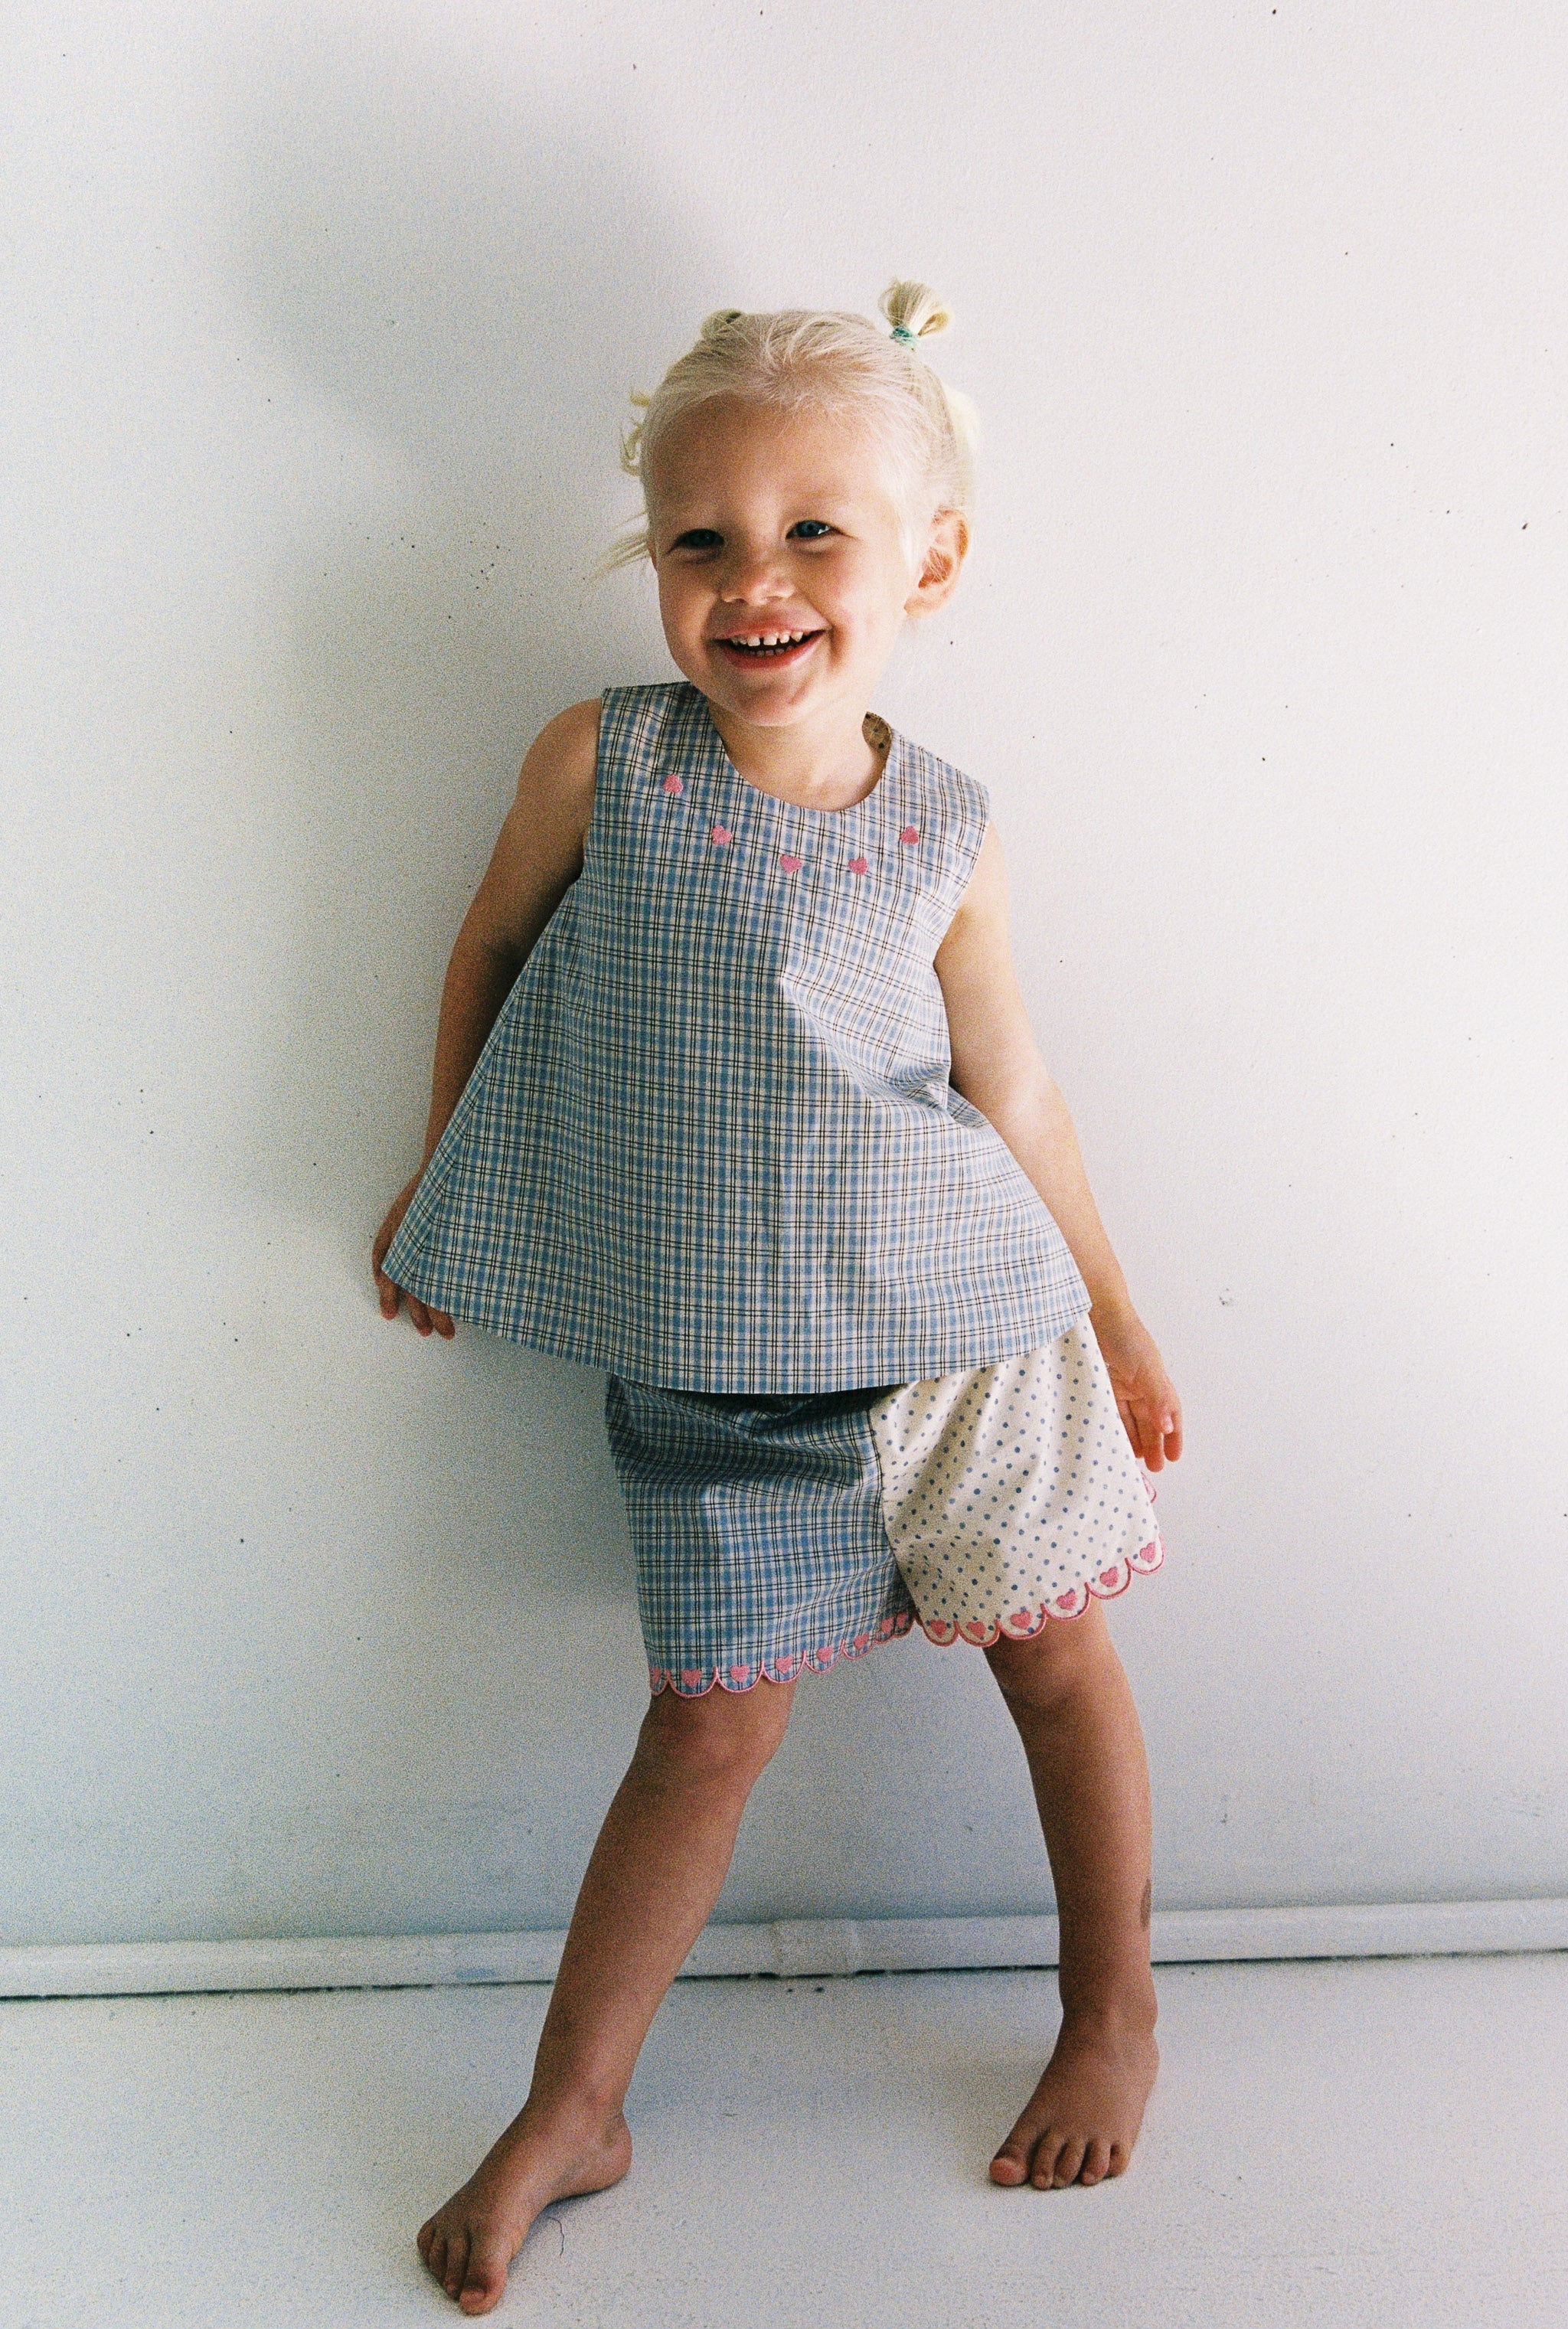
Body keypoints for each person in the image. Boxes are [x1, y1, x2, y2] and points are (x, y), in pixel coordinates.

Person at [373, 282, 1184, 2316]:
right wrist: (446, 1180)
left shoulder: (948, 826)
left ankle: (1116, 2008)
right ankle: (578, 2101)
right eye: (703, 540)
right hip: (722, 1364)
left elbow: (1014, 1085)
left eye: (814, 531)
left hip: (964, 1337)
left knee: (1058, 1660)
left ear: (931, 559)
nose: (755, 581)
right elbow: (484, 954)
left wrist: (1119, 1309)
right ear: (655, 563)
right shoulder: (607, 762)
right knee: (704, 1724)